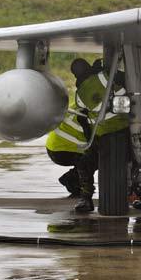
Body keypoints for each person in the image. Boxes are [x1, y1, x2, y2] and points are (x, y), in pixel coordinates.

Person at [45, 58, 101, 213]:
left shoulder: (83, 97)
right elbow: (90, 135)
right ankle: (83, 192)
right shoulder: (93, 105)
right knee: (96, 157)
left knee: (93, 154)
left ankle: (71, 179)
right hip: (63, 148)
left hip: (55, 146)